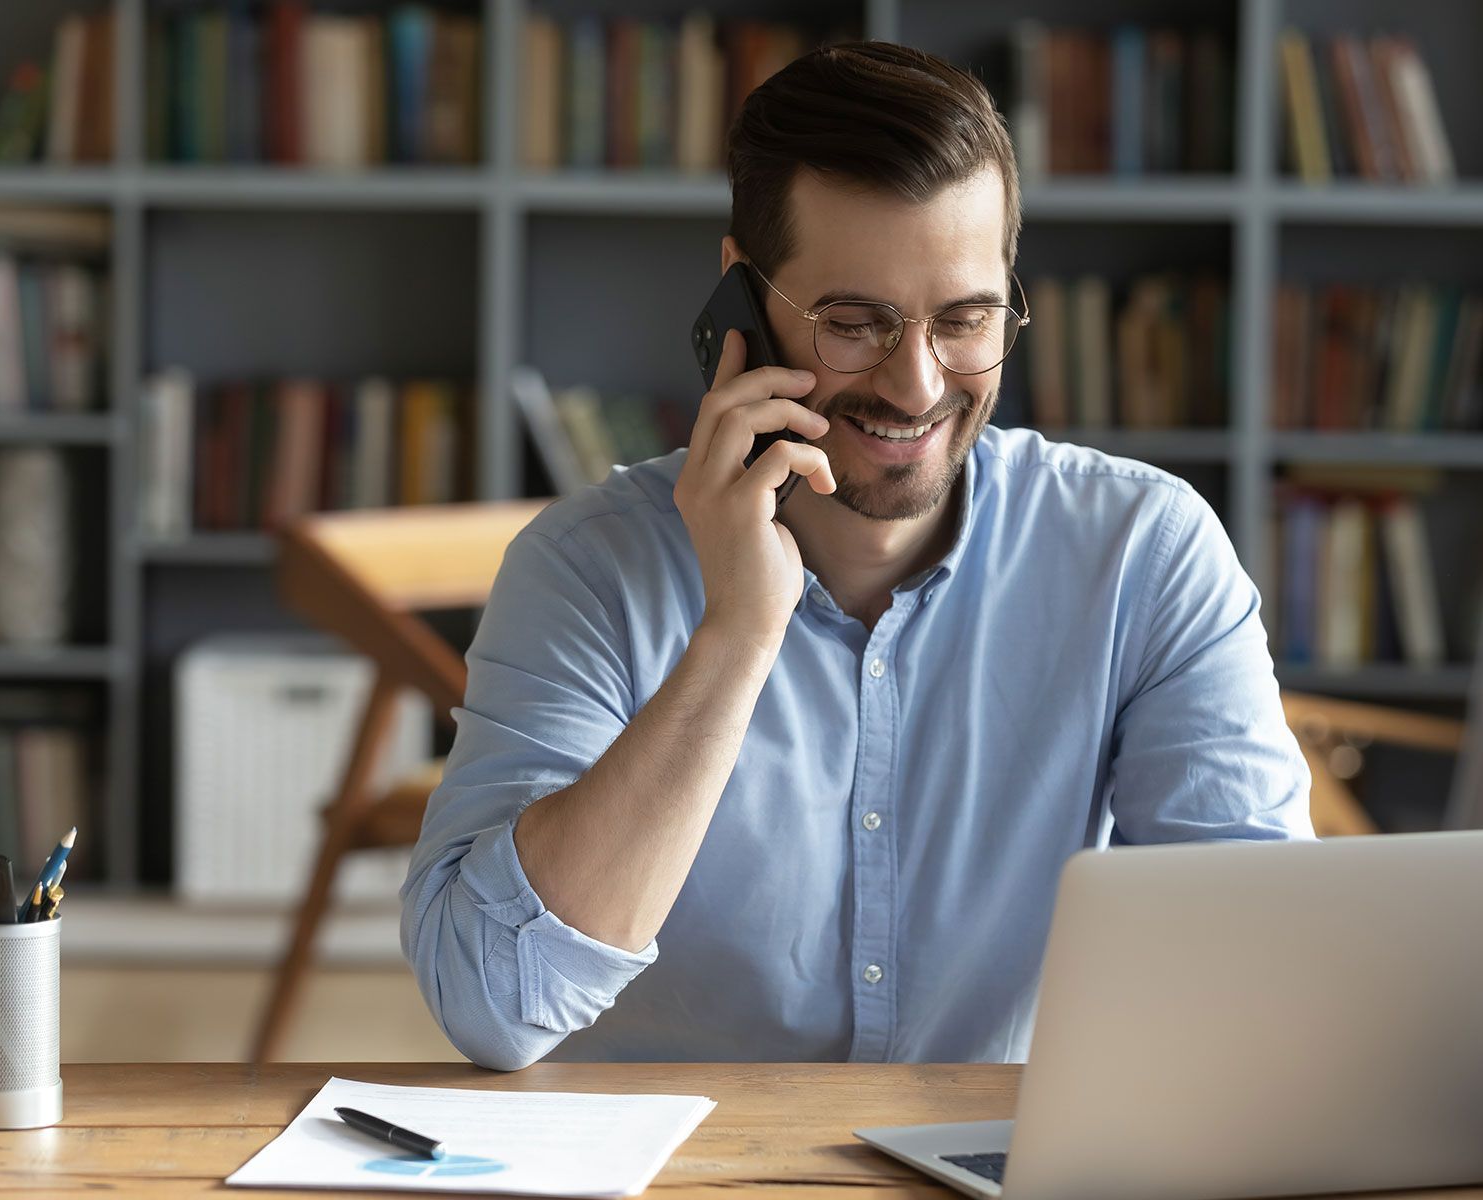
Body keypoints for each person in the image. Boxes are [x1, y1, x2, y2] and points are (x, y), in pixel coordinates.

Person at [402, 42, 1312, 1073]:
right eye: (855, 324)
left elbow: (1256, 971)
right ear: (738, 301)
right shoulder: (587, 570)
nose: (919, 386)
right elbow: (490, 1003)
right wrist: (739, 635)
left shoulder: (1142, 554)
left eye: (965, 320)